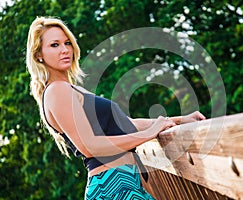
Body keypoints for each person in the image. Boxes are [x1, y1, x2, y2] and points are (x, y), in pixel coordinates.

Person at [26, 16, 206, 200]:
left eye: (67, 43)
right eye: (54, 45)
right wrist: (149, 133)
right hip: (111, 186)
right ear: (39, 54)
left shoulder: (72, 89)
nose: (65, 50)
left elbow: (126, 124)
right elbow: (90, 146)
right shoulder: (57, 90)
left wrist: (176, 120)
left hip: (125, 184)